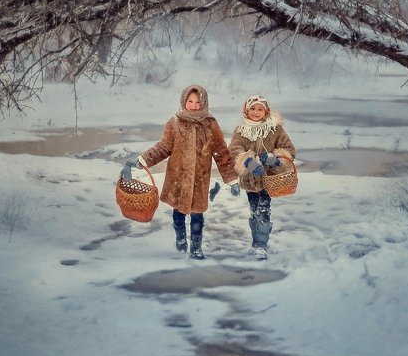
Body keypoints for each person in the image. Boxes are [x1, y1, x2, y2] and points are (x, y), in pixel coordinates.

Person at [121, 84, 239, 260]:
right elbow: (162, 148)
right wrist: (142, 160)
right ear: (184, 101)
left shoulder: (210, 125)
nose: (193, 105)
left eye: (198, 102)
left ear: (204, 102)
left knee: (197, 216)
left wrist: (232, 180)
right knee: (178, 214)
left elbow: (221, 153)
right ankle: (181, 237)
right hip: (178, 178)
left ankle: (196, 249)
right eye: (190, 101)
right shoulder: (174, 123)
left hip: (200, 180)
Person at [228, 94, 297, 260]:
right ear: (246, 110)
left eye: (260, 109)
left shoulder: (274, 128)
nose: (256, 112)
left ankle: (261, 245)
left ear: (266, 111)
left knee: (264, 209)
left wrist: (275, 159)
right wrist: (247, 162)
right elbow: (234, 150)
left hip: (269, 178)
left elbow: (289, 149)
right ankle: (255, 242)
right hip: (250, 179)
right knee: (254, 209)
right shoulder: (241, 130)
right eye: (253, 108)